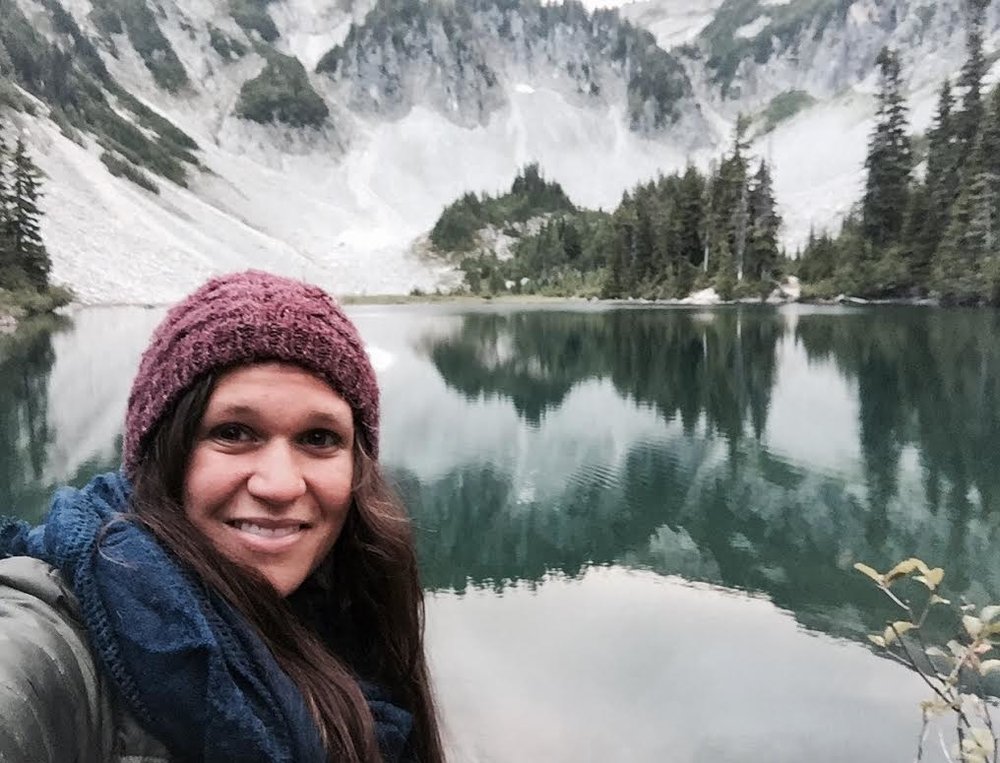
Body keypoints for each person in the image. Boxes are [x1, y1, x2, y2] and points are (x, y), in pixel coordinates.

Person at [0, 271, 445, 762]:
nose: (279, 485)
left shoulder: (347, 621)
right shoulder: (53, 642)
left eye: (319, 438)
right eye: (233, 432)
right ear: (162, 454)